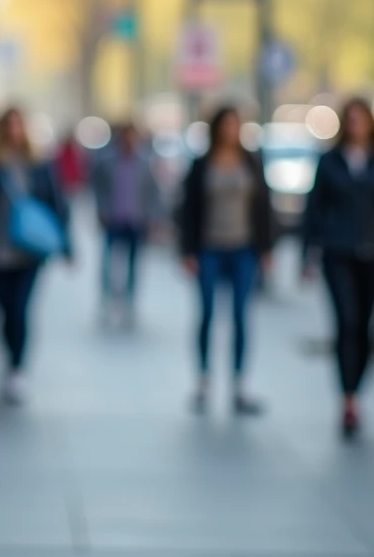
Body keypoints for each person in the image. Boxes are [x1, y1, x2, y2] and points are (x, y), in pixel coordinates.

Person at [302, 98, 374, 437]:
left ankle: (356, 390)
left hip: (373, 251)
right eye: (351, 120)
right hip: (338, 250)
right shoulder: (329, 161)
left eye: (362, 120)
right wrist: (308, 253)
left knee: (366, 328)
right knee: (346, 322)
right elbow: (313, 209)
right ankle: (348, 400)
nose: (356, 126)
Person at [0, 107, 69, 404]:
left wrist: (66, 244)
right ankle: (11, 358)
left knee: (21, 309)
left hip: (29, 253)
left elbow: (57, 204)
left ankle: (16, 368)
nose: (15, 130)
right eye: (9, 125)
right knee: (4, 310)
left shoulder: (39, 163)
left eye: (19, 124)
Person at [178, 107, 273, 415]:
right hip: (209, 248)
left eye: (236, 125)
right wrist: (187, 251)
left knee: (241, 316)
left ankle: (239, 384)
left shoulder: (251, 161)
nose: (231, 131)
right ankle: (204, 379)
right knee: (206, 313)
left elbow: (264, 207)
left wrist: (266, 248)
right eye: (227, 125)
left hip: (243, 248)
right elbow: (187, 210)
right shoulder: (202, 164)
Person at [92, 122, 162, 325]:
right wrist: (101, 210)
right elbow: (98, 187)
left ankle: (130, 301)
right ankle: (106, 300)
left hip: (136, 220)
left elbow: (153, 193)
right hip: (113, 219)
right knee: (108, 263)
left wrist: (155, 218)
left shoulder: (144, 162)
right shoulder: (107, 161)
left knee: (134, 264)